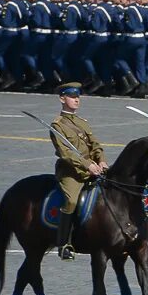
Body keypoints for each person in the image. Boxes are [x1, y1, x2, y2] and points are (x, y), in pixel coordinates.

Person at [50, 83, 107, 260]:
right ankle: (63, 243)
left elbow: (95, 145)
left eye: (78, 96)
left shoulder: (82, 123)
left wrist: (101, 160)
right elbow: (66, 153)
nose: (76, 99)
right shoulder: (57, 125)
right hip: (71, 172)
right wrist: (87, 165)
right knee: (72, 202)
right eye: (72, 96)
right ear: (62, 98)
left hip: (93, 168)